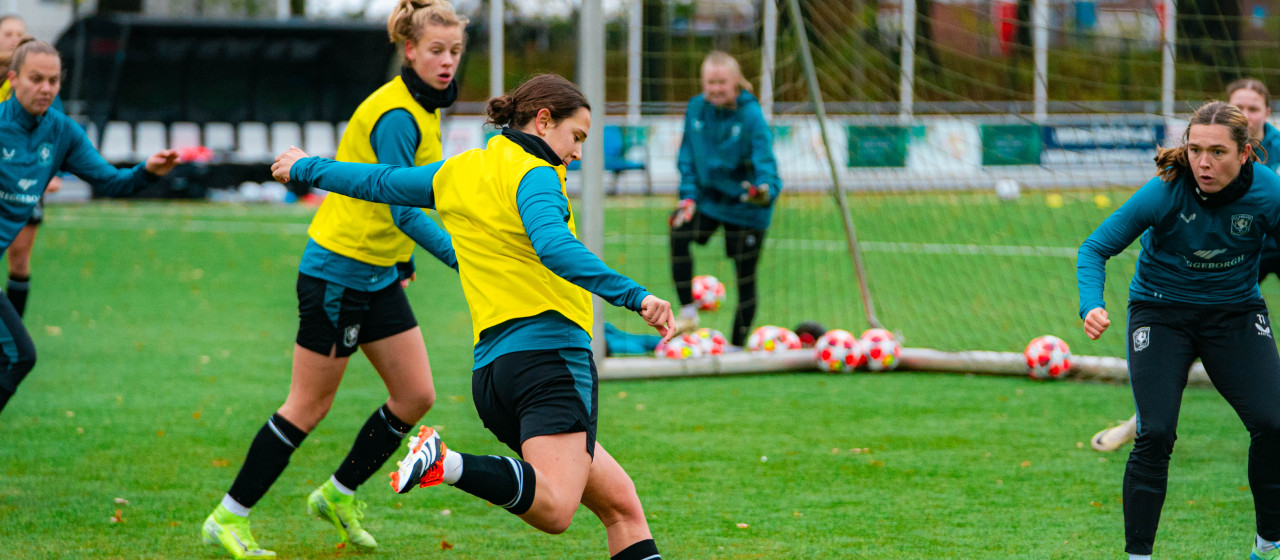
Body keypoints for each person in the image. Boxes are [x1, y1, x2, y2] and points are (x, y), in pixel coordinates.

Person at [271, 73, 674, 560]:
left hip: (494, 375)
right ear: (544, 121)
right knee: (557, 510)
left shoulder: (464, 169)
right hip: (549, 361)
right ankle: (447, 463)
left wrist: (308, 167)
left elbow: (379, 181)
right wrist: (635, 296)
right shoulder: (537, 174)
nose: (578, 152)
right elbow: (553, 245)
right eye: (577, 137)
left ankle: (448, 463)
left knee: (622, 507)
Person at [200, 2, 466, 558]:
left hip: (376, 273)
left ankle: (337, 495)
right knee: (308, 406)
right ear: (410, 50)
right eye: (436, 51)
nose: (447, 62)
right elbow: (401, 203)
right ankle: (229, 518)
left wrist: (401, 261)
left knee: (415, 395)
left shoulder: (424, 106)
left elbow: (389, 203)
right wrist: (463, 256)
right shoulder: (397, 114)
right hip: (338, 274)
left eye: (455, 51)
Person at [1077, 100, 1280, 560]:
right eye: (1194, 150)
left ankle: (1268, 541)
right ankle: (1138, 557)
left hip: (1235, 313)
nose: (1203, 163)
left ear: (1245, 153)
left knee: (1273, 424)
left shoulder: (1270, 192)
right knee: (1156, 432)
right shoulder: (1164, 190)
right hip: (1161, 314)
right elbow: (1094, 248)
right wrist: (1092, 304)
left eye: (1217, 152)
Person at [1093, 81, 1280, 452]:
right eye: (1238, 106)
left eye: (1254, 107)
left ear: (1265, 115)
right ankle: (1145, 417)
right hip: (1218, 253)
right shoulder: (1184, 173)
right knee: (1194, 328)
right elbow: (1097, 246)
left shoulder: (1269, 170)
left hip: (1259, 242)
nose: (1246, 112)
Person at [0, 39, 178, 413]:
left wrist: (146, 171)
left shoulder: (63, 132)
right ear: (13, 80)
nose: (46, 88)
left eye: (53, 80)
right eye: (36, 79)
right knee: (18, 356)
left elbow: (110, 181)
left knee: (16, 356)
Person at [669, 51, 781, 348]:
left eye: (721, 82)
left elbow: (765, 161)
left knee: (745, 276)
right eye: (709, 82)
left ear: (736, 83)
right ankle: (688, 312)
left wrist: (763, 190)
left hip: (746, 207)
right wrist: (689, 197)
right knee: (678, 231)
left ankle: (735, 347)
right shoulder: (696, 109)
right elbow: (687, 159)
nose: (715, 88)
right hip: (707, 201)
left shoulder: (751, 115)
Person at [0, 18, 58, 318]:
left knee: (19, 260)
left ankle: (10, 337)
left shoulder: (36, 85)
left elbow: (54, 133)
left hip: (24, 185)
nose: (14, 38)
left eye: (19, 34)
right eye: (7, 33)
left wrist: (51, 173)